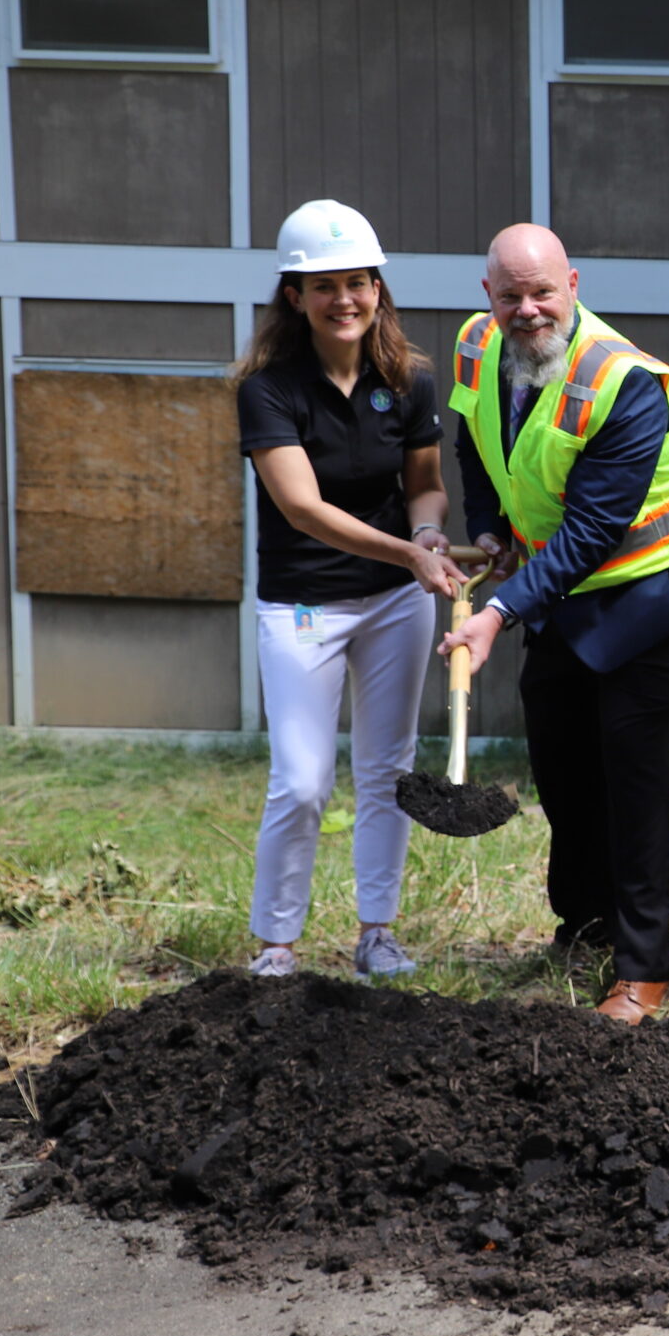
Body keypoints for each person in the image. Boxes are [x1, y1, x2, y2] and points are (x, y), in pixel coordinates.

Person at [440, 224, 669, 1025]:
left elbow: (594, 530)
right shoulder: (477, 345)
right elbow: (472, 437)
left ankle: (642, 968)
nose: (529, 311)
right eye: (511, 296)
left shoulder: (625, 381)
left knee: (632, 772)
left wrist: (500, 610)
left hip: (650, 586)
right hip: (559, 584)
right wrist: (491, 521)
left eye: (543, 292)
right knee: (561, 753)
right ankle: (586, 919)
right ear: (487, 297)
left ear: (573, 283)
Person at [232, 200, 467, 980]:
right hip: (303, 604)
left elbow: (425, 485)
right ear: (294, 296)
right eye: (324, 285)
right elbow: (302, 507)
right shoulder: (268, 389)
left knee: (386, 772)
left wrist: (428, 535)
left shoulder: (411, 380)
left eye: (358, 282)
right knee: (301, 781)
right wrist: (410, 549)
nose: (345, 300)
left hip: (398, 598)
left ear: (378, 288)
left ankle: (377, 933)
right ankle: (277, 942)